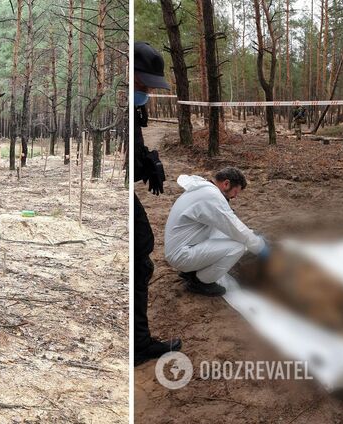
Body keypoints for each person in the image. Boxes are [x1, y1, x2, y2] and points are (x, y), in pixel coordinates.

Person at [134, 42, 182, 366]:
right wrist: (142, 164)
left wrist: (149, 161)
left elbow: (134, 148)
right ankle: (138, 345)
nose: (149, 90)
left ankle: (138, 341)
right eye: (144, 83)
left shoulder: (135, 105)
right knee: (140, 253)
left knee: (141, 252)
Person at [164, 167, 270, 297]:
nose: (235, 197)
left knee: (228, 236)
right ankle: (200, 282)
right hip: (181, 254)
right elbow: (236, 229)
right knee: (238, 246)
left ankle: (191, 271)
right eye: (235, 192)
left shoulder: (203, 190)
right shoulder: (212, 197)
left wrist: (252, 234)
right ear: (226, 184)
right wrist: (260, 247)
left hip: (182, 246)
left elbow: (224, 228)